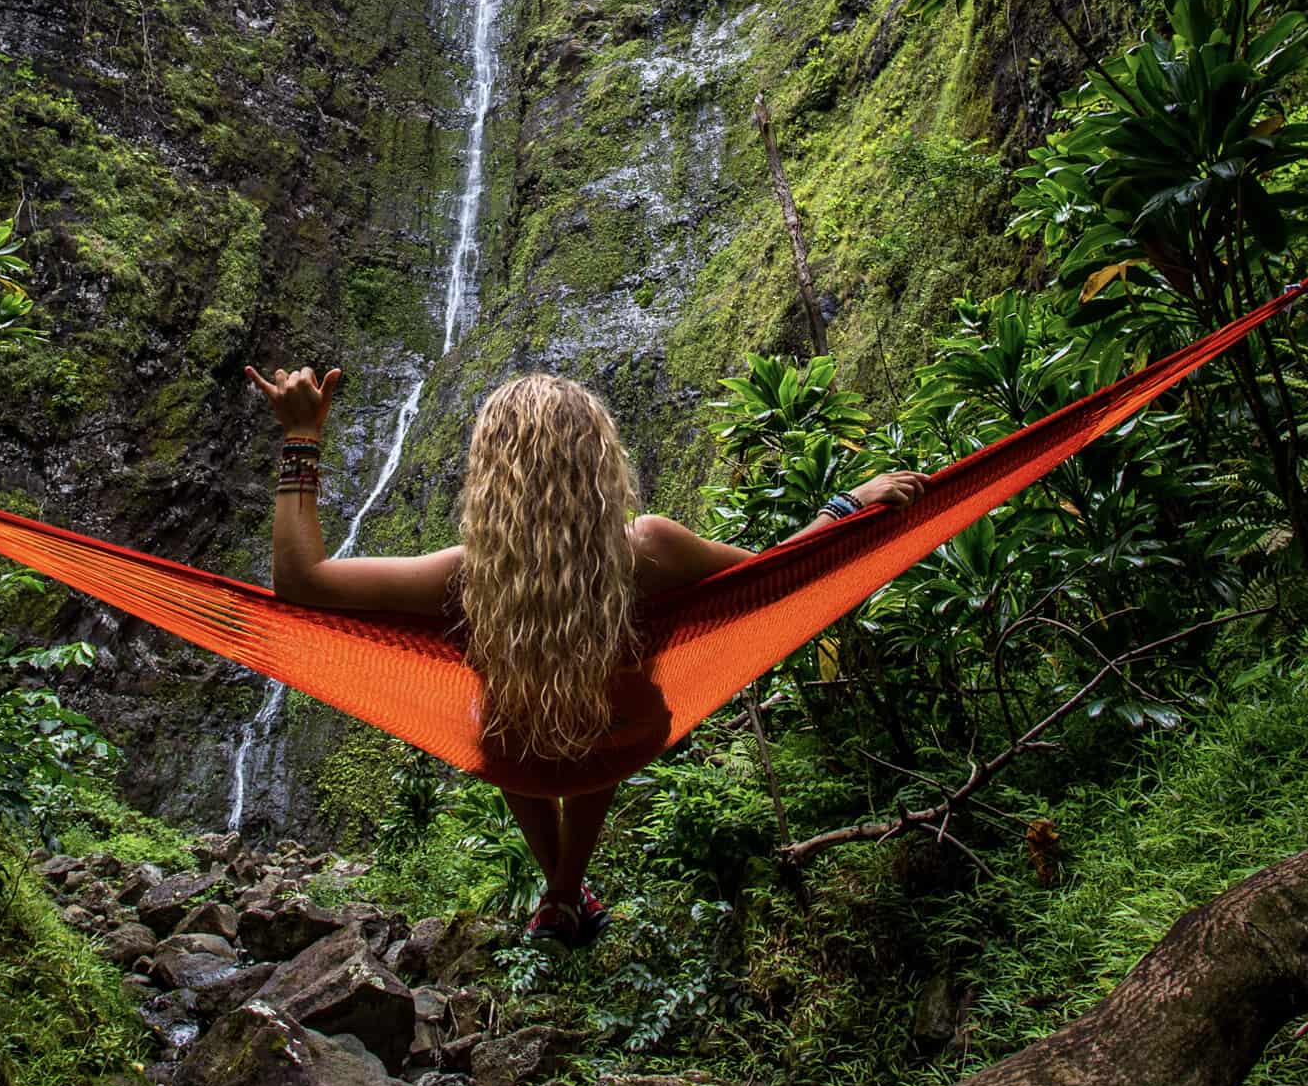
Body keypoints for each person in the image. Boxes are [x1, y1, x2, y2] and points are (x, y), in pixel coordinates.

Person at [243, 362, 929, 948]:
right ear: (600, 463)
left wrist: (302, 436)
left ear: (490, 478)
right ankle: (567, 893)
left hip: (516, 754)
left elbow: (302, 582)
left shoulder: (463, 578)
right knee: (601, 691)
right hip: (622, 740)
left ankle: (560, 890)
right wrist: (849, 503)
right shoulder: (651, 550)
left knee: (506, 706)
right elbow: (776, 574)